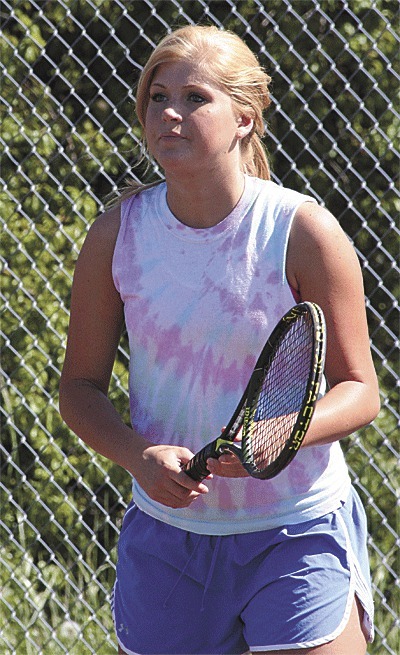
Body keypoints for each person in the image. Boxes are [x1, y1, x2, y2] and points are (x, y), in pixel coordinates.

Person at [59, 25, 380, 655]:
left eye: (195, 98)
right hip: (168, 542)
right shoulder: (116, 235)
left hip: (297, 529)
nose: (170, 114)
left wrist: (272, 441)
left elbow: (360, 390)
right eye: (158, 97)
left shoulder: (303, 231)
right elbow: (78, 389)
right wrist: (134, 455)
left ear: (244, 117)